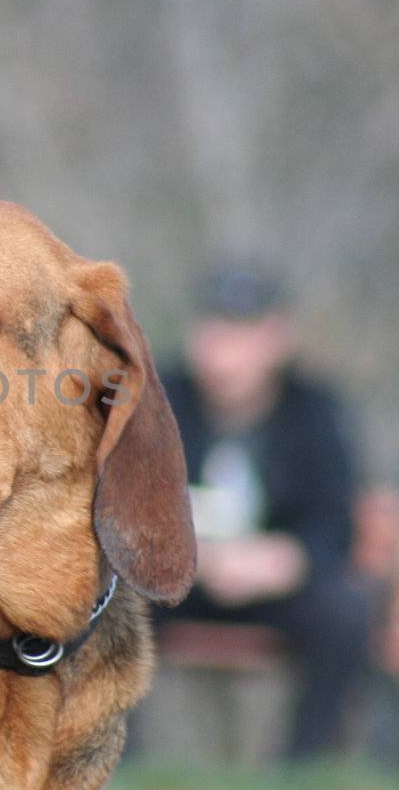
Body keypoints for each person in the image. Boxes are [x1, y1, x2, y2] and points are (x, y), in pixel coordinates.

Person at [154, 260, 371, 760]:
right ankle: (119, 768)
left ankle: (305, 769)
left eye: (242, 332)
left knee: (344, 611)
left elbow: (335, 522)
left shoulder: (314, 411)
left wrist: (286, 559)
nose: (224, 348)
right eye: (215, 329)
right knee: (107, 606)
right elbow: (122, 504)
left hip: (277, 588)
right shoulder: (158, 401)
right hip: (176, 580)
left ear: (276, 338)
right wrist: (196, 558)